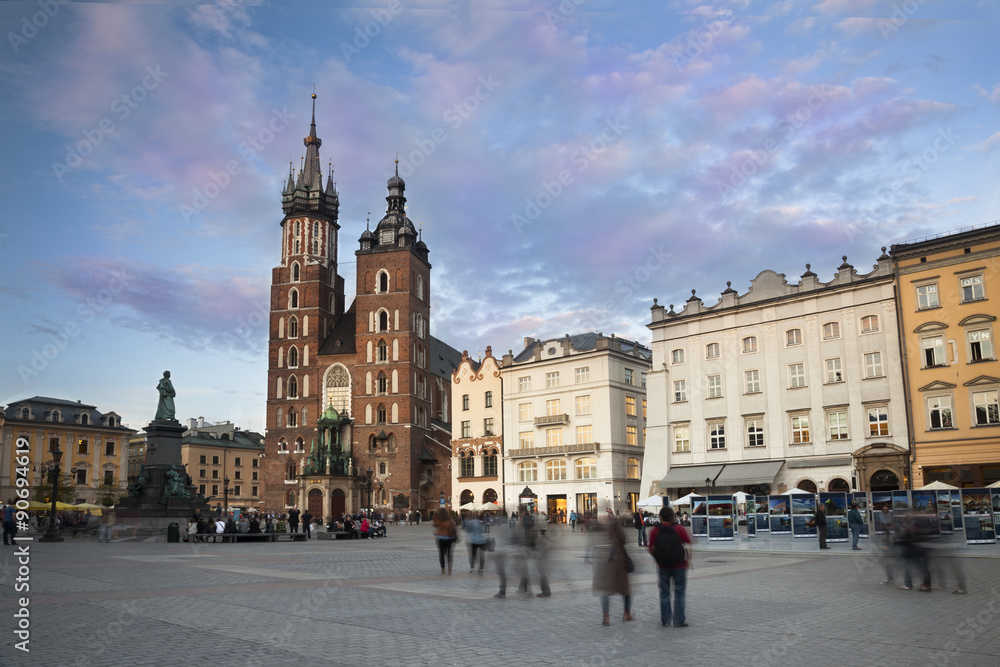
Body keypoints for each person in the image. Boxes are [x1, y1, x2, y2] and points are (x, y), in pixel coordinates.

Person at [649, 507, 691, 628]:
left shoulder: (655, 530)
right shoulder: (679, 528)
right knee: (679, 593)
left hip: (663, 566)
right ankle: (679, 621)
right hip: (679, 565)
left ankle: (666, 620)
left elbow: (650, 547)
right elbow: (689, 544)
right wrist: (688, 560)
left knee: (664, 593)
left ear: (661, 517)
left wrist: (657, 558)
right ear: (673, 517)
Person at [594, 510, 632, 626]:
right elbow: (623, 540)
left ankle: (606, 616)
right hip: (618, 560)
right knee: (625, 589)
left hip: (605, 561)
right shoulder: (617, 527)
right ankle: (626, 613)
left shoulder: (602, 529)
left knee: (606, 590)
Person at [433, 510, 458, 574]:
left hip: (441, 538)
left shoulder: (439, 521)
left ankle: (443, 569)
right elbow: (454, 528)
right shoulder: (450, 521)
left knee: (442, 554)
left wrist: (435, 516)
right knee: (449, 554)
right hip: (449, 539)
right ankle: (449, 569)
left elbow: (434, 525)